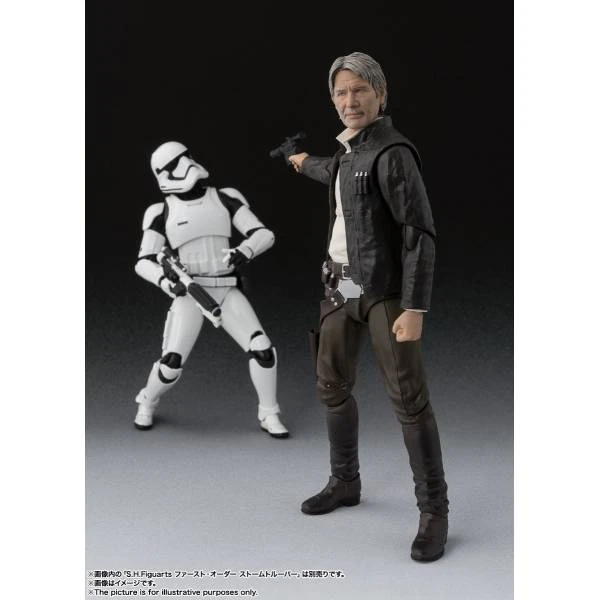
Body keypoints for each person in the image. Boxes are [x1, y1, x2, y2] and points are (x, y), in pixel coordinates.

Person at [287, 52, 449, 561]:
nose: (350, 100)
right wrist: (298, 161)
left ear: (380, 94)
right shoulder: (346, 154)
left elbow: (419, 233)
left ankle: (434, 511)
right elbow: (328, 170)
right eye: (341, 92)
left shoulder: (392, 153)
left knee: (409, 399)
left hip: (384, 294)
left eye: (360, 89)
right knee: (331, 386)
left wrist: (415, 307)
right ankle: (345, 481)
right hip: (343, 291)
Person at [133, 140, 289, 438]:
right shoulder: (161, 211)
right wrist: (167, 281)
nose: (187, 163)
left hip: (226, 288)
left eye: (186, 156)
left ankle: (269, 411)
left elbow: (264, 234)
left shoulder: (225, 198)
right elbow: (143, 261)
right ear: (164, 173)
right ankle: (148, 399)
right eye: (176, 162)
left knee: (262, 350)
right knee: (171, 362)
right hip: (190, 293)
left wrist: (245, 250)